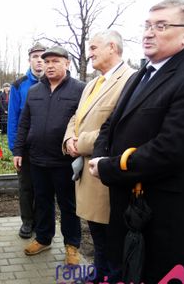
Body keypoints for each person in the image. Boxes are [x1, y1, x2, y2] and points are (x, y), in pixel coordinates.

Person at [89, 0, 184, 283]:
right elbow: (110, 125)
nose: (148, 33)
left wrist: (109, 168)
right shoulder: (140, 75)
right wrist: (99, 156)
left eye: (161, 26)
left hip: (162, 216)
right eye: (148, 25)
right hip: (127, 209)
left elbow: (172, 150)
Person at [63, 30, 135, 281]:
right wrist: (69, 139)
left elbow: (118, 130)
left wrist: (79, 144)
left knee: (111, 239)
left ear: (112, 47)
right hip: (87, 174)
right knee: (97, 236)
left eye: (93, 48)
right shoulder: (93, 84)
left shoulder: (130, 81)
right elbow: (76, 117)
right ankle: (99, 273)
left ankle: (109, 276)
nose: (89, 53)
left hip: (105, 177)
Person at [13, 46, 84, 264]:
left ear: (67, 63)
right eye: (47, 62)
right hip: (37, 159)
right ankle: (43, 239)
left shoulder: (80, 89)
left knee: (68, 204)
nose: (49, 65)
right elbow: (24, 122)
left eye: (55, 61)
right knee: (42, 202)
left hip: (64, 160)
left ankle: (72, 245)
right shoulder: (34, 91)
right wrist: (18, 150)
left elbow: (85, 121)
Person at [7, 42, 46, 239]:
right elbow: (13, 118)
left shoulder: (55, 82)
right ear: (29, 60)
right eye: (35, 57)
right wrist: (16, 149)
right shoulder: (18, 85)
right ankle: (27, 222)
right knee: (26, 187)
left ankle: (42, 223)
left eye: (42, 57)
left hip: (48, 148)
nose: (39, 61)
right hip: (26, 147)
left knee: (44, 188)